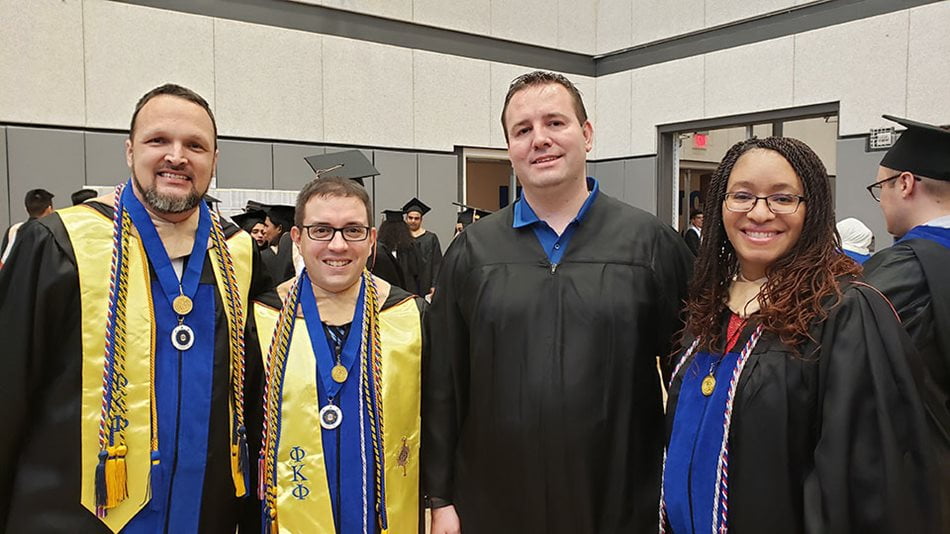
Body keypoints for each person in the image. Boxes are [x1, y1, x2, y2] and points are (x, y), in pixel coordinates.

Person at [424, 71, 693, 533]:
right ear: (509, 148)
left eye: (555, 123)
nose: (539, 140)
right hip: (495, 497)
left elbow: (688, 376)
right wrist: (440, 496)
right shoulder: (473, 252)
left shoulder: (649, 245)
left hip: (619, 495)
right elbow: (445, 380)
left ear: (586, 135)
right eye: (522, 130)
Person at [0, 83, 273, 532]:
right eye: (158, 140)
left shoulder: (237, 253)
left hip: (205, 513)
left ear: (214, 161)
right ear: (130, 151)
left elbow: (253, 392)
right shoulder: (59, 243)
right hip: (72, 513)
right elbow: (8, 391)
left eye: (195, 145)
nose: (177, 156)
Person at [660, 136, 937, 533]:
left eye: (782, 198)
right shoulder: (708, 311)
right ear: (721, 205)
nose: (759, 213)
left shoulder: (844, 313)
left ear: (813, 209)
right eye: (742, 196)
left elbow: (865, 483)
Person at [254, 176, 423, 533]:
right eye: (321, 230)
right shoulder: (264, 320)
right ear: (296, 239)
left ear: (372, 239)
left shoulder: (410, 316)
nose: (338, 244)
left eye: (353, 231)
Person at [862, 114, 950, 529]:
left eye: (880, 187)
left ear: (905, 183)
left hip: (922, 482)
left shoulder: (902, 270)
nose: (880, 201)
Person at [0, 188, 55, 266]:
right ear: (49, 209)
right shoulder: (54, 232)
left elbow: (3, 264)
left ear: (26, 209)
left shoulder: (14, 230)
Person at [402, 198, 441, 295]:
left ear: (421, 219)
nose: (413, 221)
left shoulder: (431, 238)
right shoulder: (402, 238)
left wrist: (434, 285)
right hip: (405, 286)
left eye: (416, 218)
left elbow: (437, 264)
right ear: (406, 219)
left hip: (426, 285)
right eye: (410, 218)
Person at [379, 209, 423, 294]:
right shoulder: (411, 246)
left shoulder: (380, 248)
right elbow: (416, 271)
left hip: (386, 290)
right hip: (407, 291)